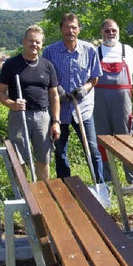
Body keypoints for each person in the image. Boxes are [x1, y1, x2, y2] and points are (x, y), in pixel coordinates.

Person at [42, 13, 104, 182]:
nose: (71, 30)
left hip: (83, 109)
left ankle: (99, 184)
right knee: (60, 151)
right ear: (61, 29)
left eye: (74, 27)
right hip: (59, 110)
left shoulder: (89, 50)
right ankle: (65, 185)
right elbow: (45, 78)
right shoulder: (49, 52)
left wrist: (85, 88)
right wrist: (57, 89)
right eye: (67, 27)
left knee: (92, 149)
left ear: (79, 29)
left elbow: (95, 77)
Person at [0, 25, 61, 181]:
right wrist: (12, 104)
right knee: (19, 158)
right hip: (19, 116)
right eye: (31, 41)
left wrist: (56, 121)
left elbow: (55, 96)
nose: (34, 45)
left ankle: (42, 191)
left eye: (38, 42)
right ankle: (24, 193)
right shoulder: (11, 65)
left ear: (41, 44)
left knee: (43, 157)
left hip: (43, 116)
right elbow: (0, 93)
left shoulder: (47, 65)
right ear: (24, 41)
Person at [94, 19, 133, 185]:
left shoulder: (127, 51)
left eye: (113, 31)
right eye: (107, 31)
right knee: (102, 143)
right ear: (102, 33)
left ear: (118, 32)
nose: (111, 34)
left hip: (123, 107)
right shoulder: (95, 52)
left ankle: (132, 181)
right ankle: (108, 182)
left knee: (127, 141)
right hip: (100, 107)